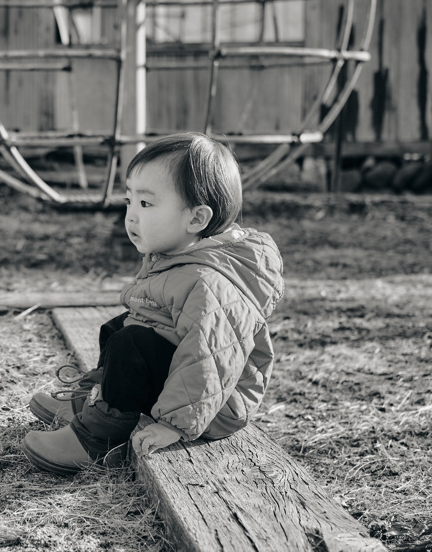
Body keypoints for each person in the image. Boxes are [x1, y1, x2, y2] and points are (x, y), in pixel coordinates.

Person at [22, 132, 285, 475]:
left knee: (132, 345)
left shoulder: (212, 284)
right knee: (120, 326)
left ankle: (100, 439)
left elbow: (210, 360)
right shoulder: (182, 253)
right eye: (129, 200)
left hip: (213, 404)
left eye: (145, 204)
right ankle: (98, 401)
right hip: (189, 386)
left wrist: (174, 426)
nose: (130, 216)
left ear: (196, 219)